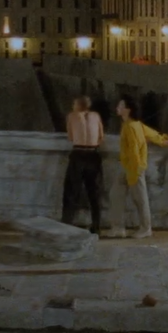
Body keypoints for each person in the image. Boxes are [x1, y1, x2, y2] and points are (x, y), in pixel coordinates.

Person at [106, 93, 168, 239]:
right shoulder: (133, 125)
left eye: (121, 105)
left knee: (140, 199)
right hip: (128, 167)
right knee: (116, 194)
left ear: (127, 110)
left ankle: (145, 228)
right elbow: (149, 133)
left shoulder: (131, 127)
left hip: (134, 168)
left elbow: (135, 149)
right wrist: (161, 139)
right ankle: (118, 228)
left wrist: (135, 171)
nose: (118, 107)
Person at [62, 96, 105, 233]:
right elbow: (101, 137)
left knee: (72, 191)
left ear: (77, 106)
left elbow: (70, 137)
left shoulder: (72, 116)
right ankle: (96, 226)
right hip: (93, 154)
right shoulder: (96, 116)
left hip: (78, 153)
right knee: (94, 192)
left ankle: (66, 223)